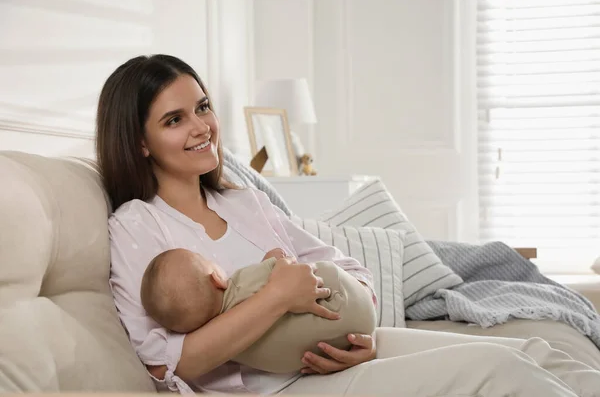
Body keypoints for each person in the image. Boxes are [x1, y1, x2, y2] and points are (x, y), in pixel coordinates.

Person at [98, 54, 600, 396]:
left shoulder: (244, 201)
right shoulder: (136, 227)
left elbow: (343, 266)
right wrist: (277, 296)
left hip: (337, 352)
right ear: (140, 142)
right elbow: (169, 365)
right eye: (174, 120)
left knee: (536, 351)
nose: (201, 126)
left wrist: (357, 332)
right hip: (277, 384)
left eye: (203, 107)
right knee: (501, 371)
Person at [139, 247, 377, 373]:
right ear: (217, 279)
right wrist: (273, 258)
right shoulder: (240, 282)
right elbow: (282, 263)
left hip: (333, 350)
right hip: (348, 308)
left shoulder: (233, 351)